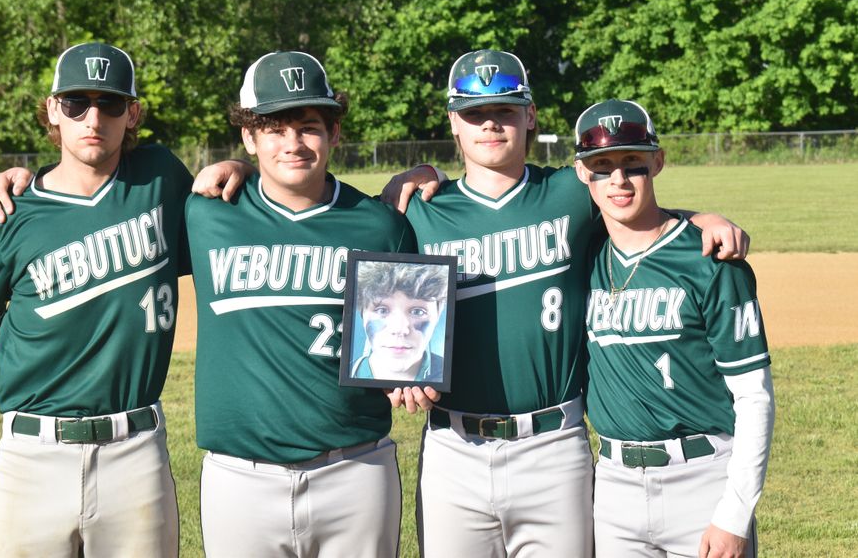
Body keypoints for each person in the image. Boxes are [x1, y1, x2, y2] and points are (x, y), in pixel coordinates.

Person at [194, 49, 750, 558]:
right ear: (453, 121)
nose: (490, 122)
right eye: (474, 111)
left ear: (530, 116)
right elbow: (390, 320)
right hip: (452, 445)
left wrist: (699, 219)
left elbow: (630, 198)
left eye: (505, 110)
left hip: (554, 444)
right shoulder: (413, 212)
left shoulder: (571, 193)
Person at [185, 51, 421, 557]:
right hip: (238, 475)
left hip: (355, 468)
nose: (292, 143)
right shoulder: (207, 213)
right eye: (273, 128)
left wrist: (412, 375)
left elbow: (408, 336)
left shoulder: (379, 224)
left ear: (335, 132)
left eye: (309, 126)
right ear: (248, 138)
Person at [0, 42, 188, 557]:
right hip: (31, 455)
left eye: (110, 104)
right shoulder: (11, 209)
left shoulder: (160, 178)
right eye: (75, 104)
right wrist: (30, 378)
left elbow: (232, 219)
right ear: (51, 111)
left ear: (132, 114)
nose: (93, 118)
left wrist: (238, 169)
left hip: (135, 450)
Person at [573, 99, 775, 558]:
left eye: (633, 164)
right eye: (602, 166)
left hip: (702, 478)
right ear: (583, 173)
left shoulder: (710, 260)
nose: (618, 180)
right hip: (614, 487)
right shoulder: (583, 255)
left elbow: (754, 396)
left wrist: (734, 512)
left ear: (657, 162)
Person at [351, 260, 448, 382]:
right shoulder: (342, 373)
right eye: (382, 310)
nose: (399, 329)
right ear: (362, 314)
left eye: (418, 312)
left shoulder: (456, 375)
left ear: (437, 316)